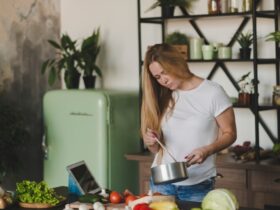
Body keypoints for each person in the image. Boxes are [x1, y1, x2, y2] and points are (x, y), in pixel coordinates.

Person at [141, 43, 236, 202]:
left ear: (177, 64)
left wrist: (207, 150)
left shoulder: (212, 92)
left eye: (165, 72)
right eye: (157, 77)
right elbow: (156, 149)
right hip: (162, 183)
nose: (163, 80)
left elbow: (230, 133)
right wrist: (150, 141)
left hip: (198, 184)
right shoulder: (163, 96)